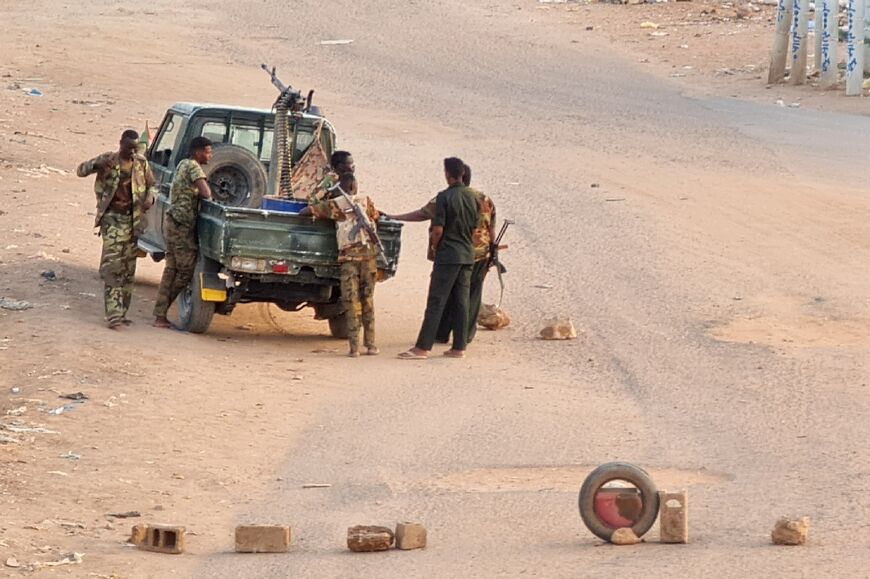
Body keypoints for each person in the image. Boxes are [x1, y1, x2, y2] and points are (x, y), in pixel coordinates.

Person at [387, 164, 495, 344]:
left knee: (443, 295)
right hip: (480, 254)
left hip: (452, 255)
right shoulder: (484, 199)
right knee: (471, 295)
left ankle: (440, 334)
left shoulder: (445, 197)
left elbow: (424, 215)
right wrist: (492, 251)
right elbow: (492, 228)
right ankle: (464, 337)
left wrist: (394, 217)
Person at [398, 157, 479, 360]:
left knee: (437, 300)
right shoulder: (474, 197)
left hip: (448, 255)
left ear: (447, 173)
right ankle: (459, 348)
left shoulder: (444, 197)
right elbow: (476, 230)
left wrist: (435, 246)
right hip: (467, 255)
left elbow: (438, 230)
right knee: (461, 301)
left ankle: (422, 348)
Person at [77, 129, 157, 329]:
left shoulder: (141, 163)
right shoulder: (108, 161)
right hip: (113, 220)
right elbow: (81, 171)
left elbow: (153, 185)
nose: (132, 152)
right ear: (120, 143)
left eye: (135, 148)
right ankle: (113, 314)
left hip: (134, 223)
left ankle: (122, 312)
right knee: (113, 267)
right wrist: (96, 165)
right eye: (129, 147)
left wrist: (150, 197)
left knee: (128, 270)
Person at [300, 173, 380, 357]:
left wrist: (323, 191)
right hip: (369, 258)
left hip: (349, 261)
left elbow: (308, 209)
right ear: (356, 186)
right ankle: (371, 344)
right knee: (367, 300)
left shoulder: (336, 205)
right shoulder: (366, 201)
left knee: (351, 302)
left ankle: (354, 348)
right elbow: (376, 217)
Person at [153, 137, 213, 328]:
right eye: (208, 151)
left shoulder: (182, 164)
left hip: (174, 222)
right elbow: (206, 194)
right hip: (181, 225)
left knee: (171, 269)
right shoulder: (193, 166)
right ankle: (161, 312)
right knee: (185, 270)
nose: (210, 155)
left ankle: (160, 314)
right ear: (197, 151)